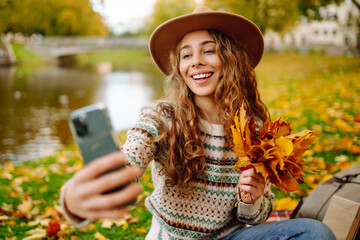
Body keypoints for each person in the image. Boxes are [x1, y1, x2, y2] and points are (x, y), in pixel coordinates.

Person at [60, 6, 335, 240]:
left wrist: (251, 198)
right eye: (186, 55)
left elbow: (256, 218)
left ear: (230, 59)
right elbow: (130, 157)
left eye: (209, 51)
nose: (196, 62)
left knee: (315, 233)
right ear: (179, 67)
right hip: (173, 237)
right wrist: (75, 199)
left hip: (232, 236)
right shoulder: (162, 117)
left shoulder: (254, 127)